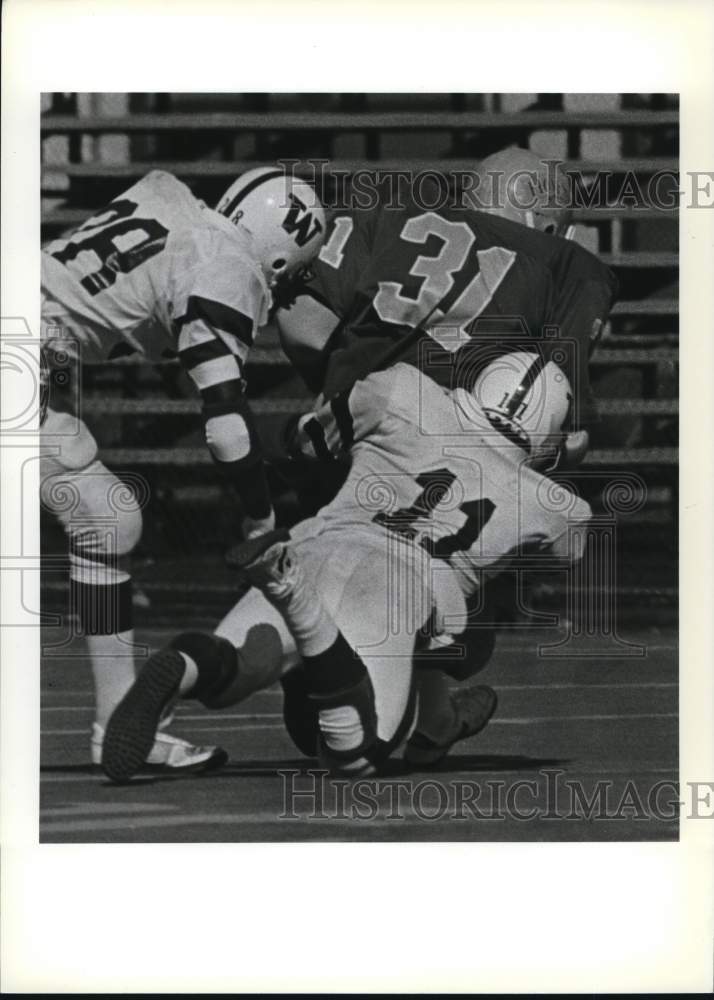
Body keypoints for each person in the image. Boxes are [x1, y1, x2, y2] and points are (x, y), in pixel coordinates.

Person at [100, 352, 592, 783]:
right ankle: (303, 612)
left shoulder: (405, 389)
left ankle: (182, 665)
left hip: (317, 544)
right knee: (356, 755)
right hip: (399, 586)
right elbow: (563, 549)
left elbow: (308, 439)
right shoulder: (556, 505)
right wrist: (556, 463)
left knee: (228, 671)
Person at [40, 166, 326, 771]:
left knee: (106, 519)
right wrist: (260, 517)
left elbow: (73, 301)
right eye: (295, 271)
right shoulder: (230, 265)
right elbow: (225, 425)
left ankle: (120, 721)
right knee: (105, 518)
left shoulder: (166, 194)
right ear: (278, 256)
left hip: (42, 347)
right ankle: (117, 720)